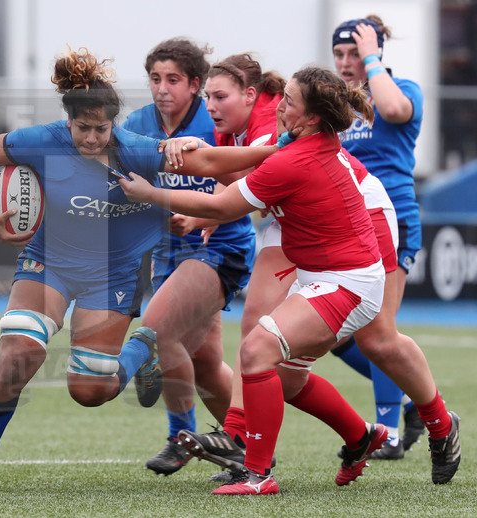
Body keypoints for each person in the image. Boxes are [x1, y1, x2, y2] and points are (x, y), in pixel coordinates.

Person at [0, 46, 279, 491]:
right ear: (69, 121)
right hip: (50, 264)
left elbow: (211, 162)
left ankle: (145, 348)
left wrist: (279, 150)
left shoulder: (134, 150)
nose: (94, 138)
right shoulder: (41, 141)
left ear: (113, 124)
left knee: (90, 392)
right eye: (84, 128)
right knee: (18, 356)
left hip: (112, 275)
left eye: (102, 128)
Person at [123, 66, 398, 495]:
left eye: (288, 99)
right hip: (328, 272)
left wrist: (150, 193)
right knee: (285, 376)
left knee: (256, 348)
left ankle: (256, 472)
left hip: (347, 279)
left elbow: (224, 205)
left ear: (308, 117)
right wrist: (193, 147)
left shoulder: (295, 157)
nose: (279, 104)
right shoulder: (297, 140)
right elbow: (235, 160)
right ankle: (363, 436)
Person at [123, 46, 281, 476]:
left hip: (219, 247)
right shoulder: (137, 126)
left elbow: (246, 182)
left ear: (194, 84)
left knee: (159, 331)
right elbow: (124, 189)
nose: (162, 89)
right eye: (155, 79)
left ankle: (179, 435)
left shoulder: (214, 122)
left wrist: (200, 214)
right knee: (208, 366)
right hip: (167, 252)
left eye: (172, 80)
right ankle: (244, 447)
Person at [329, 14, 426, 458]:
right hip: (346, 224)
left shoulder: (403, 89)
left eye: (356, 53)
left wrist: (372, 61)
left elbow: (392, 111)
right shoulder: (334, 105)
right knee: (335, 335)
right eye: (341, 54)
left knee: (377, 331)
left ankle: (386, 432)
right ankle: (416, 401)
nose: (347, 62)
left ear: (377, 53)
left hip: (393, 220)